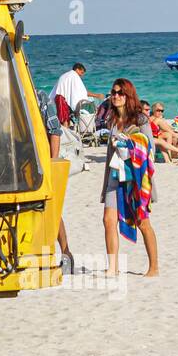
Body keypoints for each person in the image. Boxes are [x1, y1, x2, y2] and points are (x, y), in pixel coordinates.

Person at [99, 79, 157, 277]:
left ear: (128, 95)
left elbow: (151, 147)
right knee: (108, 220)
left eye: (120, 93)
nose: (115, 96)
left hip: (136, 178)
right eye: (113, 92)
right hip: (115, 176)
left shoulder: (140, 119)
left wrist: (131, 146)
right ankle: (112, 267)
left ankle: (154, 268)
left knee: (142, 222)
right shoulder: (112, 120)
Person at [48, 63, 104, 131]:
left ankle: (65, 133)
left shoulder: (64, 75)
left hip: (58, 98)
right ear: (77, 69)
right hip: (62, 99)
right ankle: (67, 135)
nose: (82, 75)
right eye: (82, 72)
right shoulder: (74, 76)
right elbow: (83, 92)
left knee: (63, 118)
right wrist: (97, 95)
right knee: (65, 119)